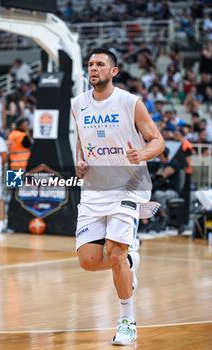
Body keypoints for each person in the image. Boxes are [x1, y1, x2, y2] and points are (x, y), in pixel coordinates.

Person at [71, 47, 164, 345]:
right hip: (94, 190)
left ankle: (128, 321)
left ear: (113, 71)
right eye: (90, 64)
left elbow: (157, 140)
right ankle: (129, 263)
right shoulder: (78, 104)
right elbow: (81, 141)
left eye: (100, 64)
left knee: (115, 252)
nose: (93, 68)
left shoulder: (129, 102)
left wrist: (143, 153)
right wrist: (80, 162)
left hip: (128, 186)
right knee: (87, 261)